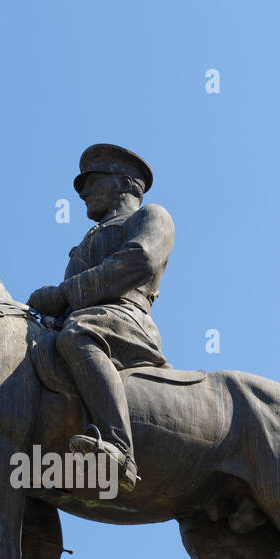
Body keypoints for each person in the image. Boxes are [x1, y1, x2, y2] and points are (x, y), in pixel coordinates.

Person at [28, 144, 174, 494]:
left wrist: (64, 294)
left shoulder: (151, 216)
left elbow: (139, 260)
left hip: (126, 319)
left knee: (77, 334)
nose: (83, 192)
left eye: (90, 182)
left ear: (124, 182)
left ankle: (121, 451)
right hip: (88, 318)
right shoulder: (85, 242)